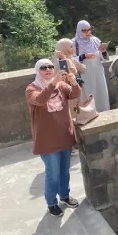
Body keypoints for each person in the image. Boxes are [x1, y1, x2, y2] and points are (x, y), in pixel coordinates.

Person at [26, 59, 81, 217]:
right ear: (37, 71)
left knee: (64, 171)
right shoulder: (31, 89)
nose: (48, 69)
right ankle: (51, 203)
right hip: (47, 140)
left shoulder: (61, 86)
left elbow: (75, 94)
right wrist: (53, 83)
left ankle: (64, 196)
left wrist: (73, 82)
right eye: (43, 68)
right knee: (53, 174)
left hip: (64, 135)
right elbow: (40, 99)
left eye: (50, 66)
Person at [72, 20, 110, 112]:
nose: (88, 32)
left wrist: (103, 51)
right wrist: (83, 56)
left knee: (101, 93)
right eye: (84, 30)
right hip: (85, 75)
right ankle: (90, 114)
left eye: (89, 29)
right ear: (79, 30)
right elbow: (70, 60)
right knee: (88, 95)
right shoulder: (73, 43)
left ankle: (104, 112)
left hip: (98, 73)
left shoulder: (95, 40)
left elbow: (104, 59)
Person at [53, 38, 86, 118]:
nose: (73, 48)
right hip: (69, 89)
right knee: (73, 110)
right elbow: (74, 72)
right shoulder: (62, 61)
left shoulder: (65, 59)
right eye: (71, 47)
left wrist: (70, 59)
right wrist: (67, 60)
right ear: (64, 48)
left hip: (67, 89)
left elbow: (83, 69)